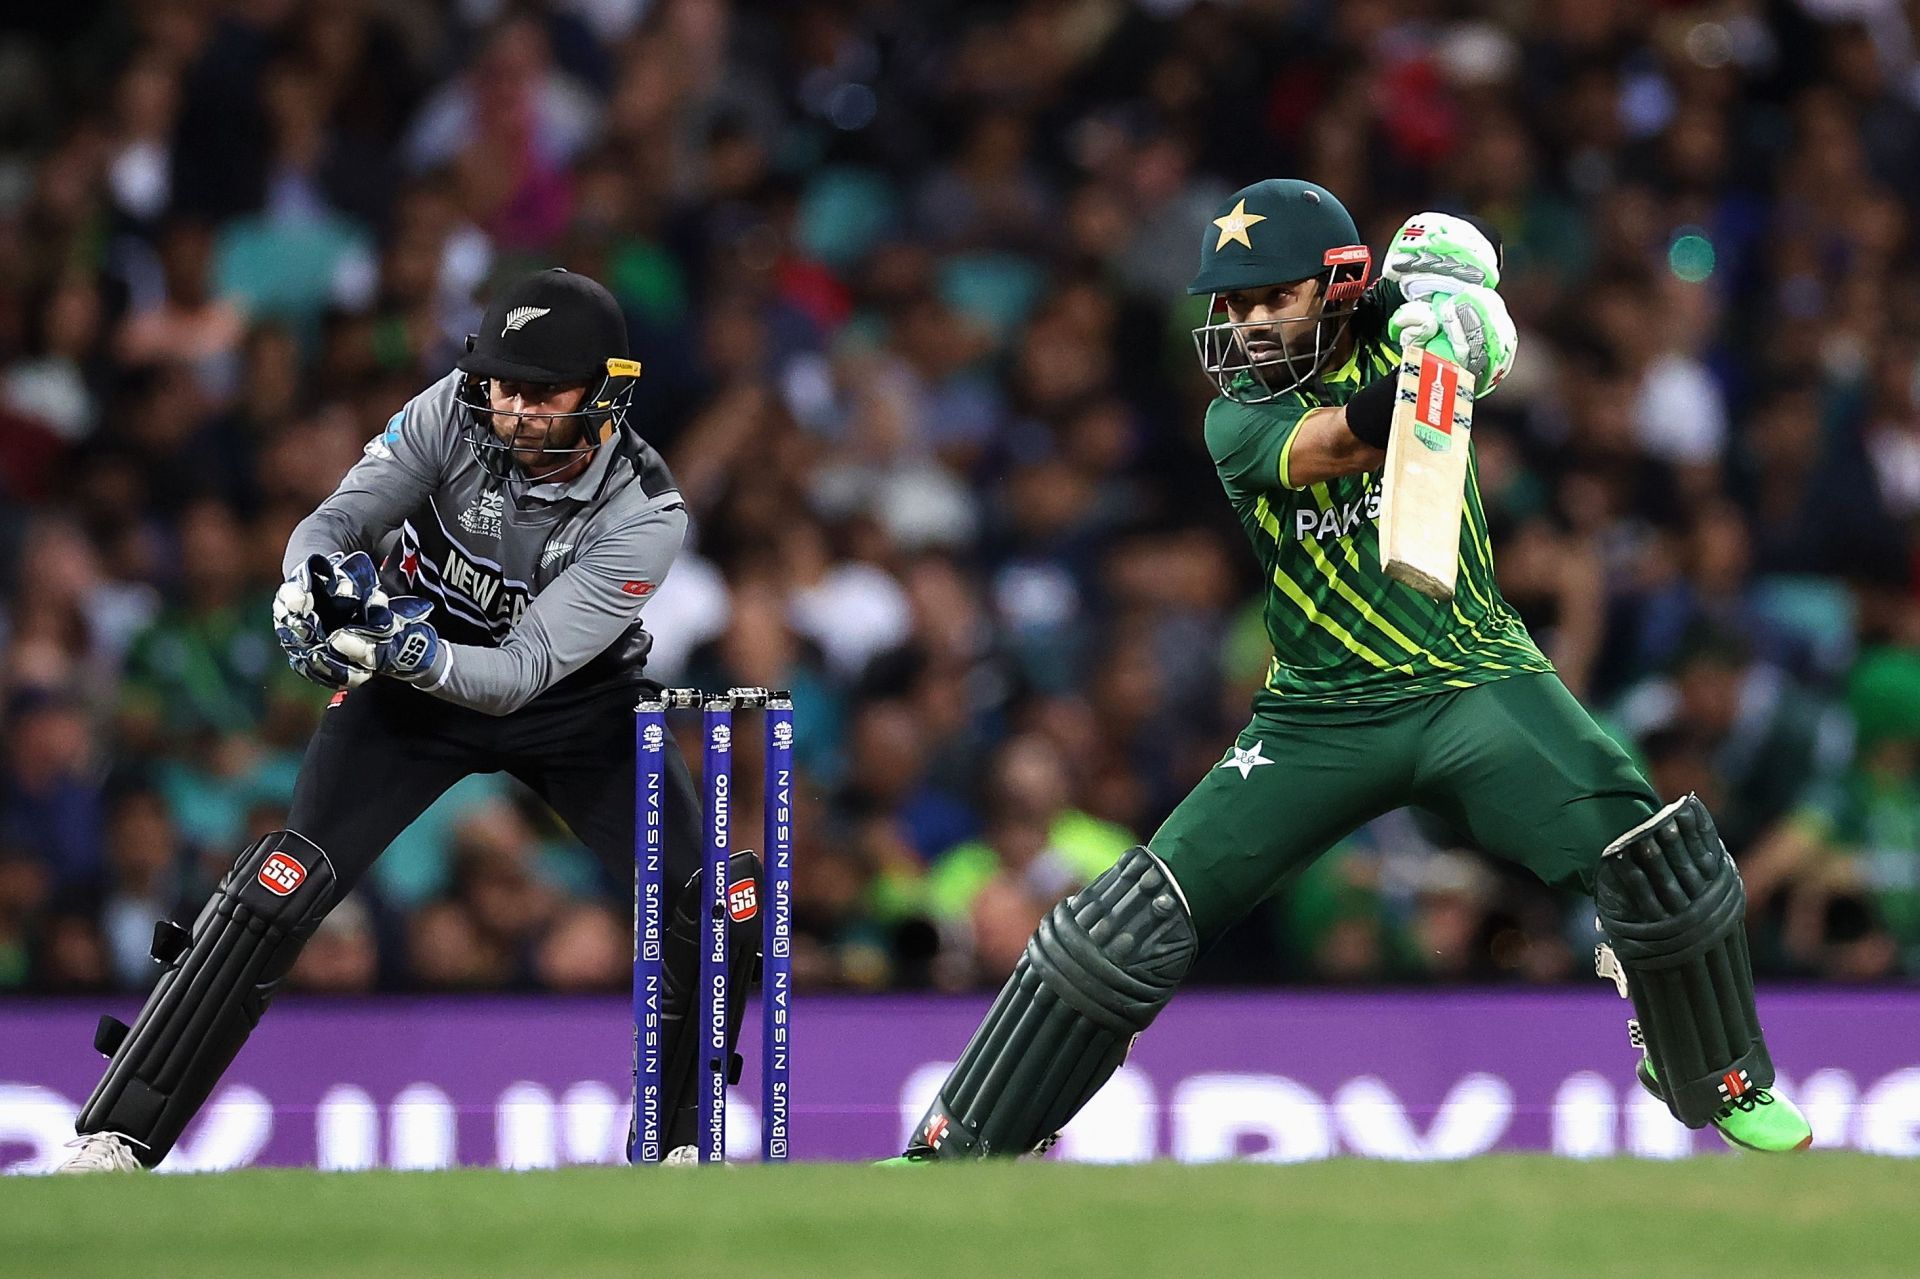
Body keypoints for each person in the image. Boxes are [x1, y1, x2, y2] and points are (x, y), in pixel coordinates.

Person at [888, 180, 1811, 1161]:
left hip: (1472, 675)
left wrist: (1467, 314)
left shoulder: (1394, 317)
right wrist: (1432, 364)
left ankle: (1715, 1072)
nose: (1241, 329)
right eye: (1228, 308)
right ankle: (957, 1142)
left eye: (1264, 301)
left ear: (1336, 287)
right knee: (1125, 922)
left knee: (1652, 856)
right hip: (1318, 715)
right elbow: (1333, 442)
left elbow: (1477, 297)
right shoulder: (1235, 422)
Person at [58, 268, 757, 1171]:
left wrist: (395, 646)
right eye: (504, 384)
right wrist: (312, 586)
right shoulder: (447, 410)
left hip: (574, 707)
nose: (513, 411)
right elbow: (333, 522)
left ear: (606, 391)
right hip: (407, 696)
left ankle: (678, 1156)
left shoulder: (646, 513)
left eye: (543, 393)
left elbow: (519, 675)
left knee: (711, 904)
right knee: (283, 879)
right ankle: (117, 1134)